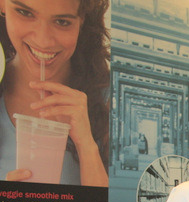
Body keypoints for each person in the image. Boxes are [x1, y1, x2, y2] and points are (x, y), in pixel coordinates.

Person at [0, 0, 109, 186]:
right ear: (2, 4)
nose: (43, 41)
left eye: (62, 22)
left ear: (82, 19)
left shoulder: (111, 100)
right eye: (25, 13)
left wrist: (87, 147)